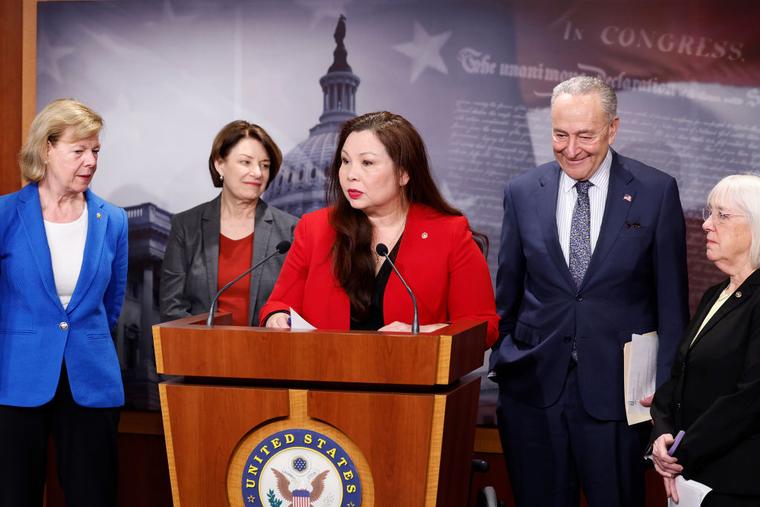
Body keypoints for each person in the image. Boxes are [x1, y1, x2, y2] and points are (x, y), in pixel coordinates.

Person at [488, 76, 689, 506]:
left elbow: (672, 309)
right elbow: (508, 293)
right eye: (560, 135)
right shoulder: (522, 192)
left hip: (618, 401)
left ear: (612, 129)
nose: (571, 148)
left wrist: (666, 403)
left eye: (585, 135)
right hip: (535, 393)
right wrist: (506, 359)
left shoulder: (655, 192)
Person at [260, 111, 498, 345]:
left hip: (410, 377)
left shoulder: (450, 233)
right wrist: (277, 317)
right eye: (345, 161)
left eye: (367, 163)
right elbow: (278, 304)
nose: (351, 175)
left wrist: (423, 333)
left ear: (404, 173)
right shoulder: (314, 228)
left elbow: (483, 326)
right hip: (325, 376)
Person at [0, 99, 128, 506]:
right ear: (47, 150)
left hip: (90, 381)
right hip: (16, 381)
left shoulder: (114, 219)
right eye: (79, 150)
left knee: (93, 495)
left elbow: (112, 304)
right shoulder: (5, 214)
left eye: (95, 151)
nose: (90, 161)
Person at [650, 174, 760, 507]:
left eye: (722, 216)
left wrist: (679, 453)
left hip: (739, 487)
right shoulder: (715, 294)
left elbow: (750, 399)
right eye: (709, 214)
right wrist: (661, 436)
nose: (707, 225)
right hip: (694, 478)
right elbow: (679, 376)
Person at [159, 121, 297, 326]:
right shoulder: (186, 226)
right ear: (219, 164)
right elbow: (172, 308)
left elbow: (299, 304)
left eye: (264, 165)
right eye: (246, 162)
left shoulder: (290, 231)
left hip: (268, 353)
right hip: (203, 353)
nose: (258, 173)